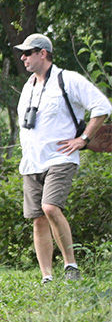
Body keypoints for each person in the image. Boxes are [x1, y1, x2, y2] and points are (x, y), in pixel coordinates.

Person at [15, 33, 111, 283]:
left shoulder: (67, 79)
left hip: (60, 158)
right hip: (31, 162)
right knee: (37, 218)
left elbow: (102, 107)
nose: (23, 57)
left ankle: (71, 266)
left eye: (28, 52)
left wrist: (84, 139)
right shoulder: (28, 86)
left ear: (43, 53)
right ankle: (47, 276)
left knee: (50, 207)